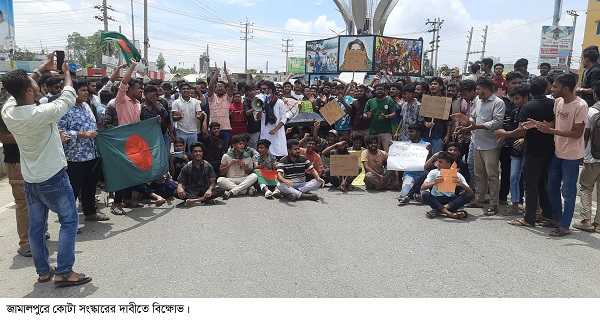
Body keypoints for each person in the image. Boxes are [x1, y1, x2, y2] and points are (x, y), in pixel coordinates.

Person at [1, 55, 92, 286]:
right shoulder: (42, 113)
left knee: (37, 227)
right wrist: (67, 74)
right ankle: (64, 272)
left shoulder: (9, 110)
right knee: (69, 222)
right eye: (35, 85)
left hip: (31, 178)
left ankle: (43, 271)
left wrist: (41, 69)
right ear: (30, 92)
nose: (38, 85)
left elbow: (19, 89)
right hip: (54, 177)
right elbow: (69, 95)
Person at [495, 77, 555, 228]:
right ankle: (547, 213)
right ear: (546, 88)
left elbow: (521, 130)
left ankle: (529, 218)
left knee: (530, 185)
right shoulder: (553, 104)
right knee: (541, 183)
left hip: (533, 150)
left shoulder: (528, 108)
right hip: (550, 149)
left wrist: (505, 133)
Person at [532, 73, 588, 237]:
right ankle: (556, 219)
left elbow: (577, 133)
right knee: (551, 187)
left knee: (568, 193)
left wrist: (552, 131)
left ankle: (565, 226)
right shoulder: (558, 102)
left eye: (555, 86)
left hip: (571, 155)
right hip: (558, 152)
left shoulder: (581, 105)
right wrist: (536, 125)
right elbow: (555, 123)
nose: (552, 89)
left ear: (565, 88)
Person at [57, 78, 107, 222]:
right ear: (73, 92)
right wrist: (83, 135)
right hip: (74, 158)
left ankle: (90, 213)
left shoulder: (87, 106)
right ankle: (68, 222)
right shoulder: (64, 109)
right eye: (83, 90)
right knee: (71, 191)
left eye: (87, 90)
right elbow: (60, 133)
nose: (87, 93)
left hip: (92, 154)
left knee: (90, 187)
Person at [453, 79, 506, 216]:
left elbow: (497, 122)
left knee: (492, 175)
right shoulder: (477, 101)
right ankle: (479, 199)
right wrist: (466, 122)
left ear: (486, 89)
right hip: (477, 142)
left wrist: (475, 126)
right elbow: (473, 118)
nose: (476, 92)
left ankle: (494, 204)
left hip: (491, 144)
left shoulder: (498, 103)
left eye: (478, 89)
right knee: (479, 174)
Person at [574, 80, 600, 233]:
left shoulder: (591, 111)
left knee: (586, 187)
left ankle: (586, 220)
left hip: (593, 156)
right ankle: (598, 224)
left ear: (595, 94)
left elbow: (585, 136)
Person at [420, 151, 474, 219]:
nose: (438, 164)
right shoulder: (433, 172)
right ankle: (450, 213)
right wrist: (434, 182)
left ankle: (439, 210)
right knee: (425, 194)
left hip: (451, 200)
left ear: (448, 164)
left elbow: (471, 192)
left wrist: (461, 183)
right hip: (437, 199)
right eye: (438, 161)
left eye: (440, 162)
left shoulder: (456, 174)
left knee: (468, 195)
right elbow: (423, 187)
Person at [176, 141, 225, 206]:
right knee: (175, 192)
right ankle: (206, 199)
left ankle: (194, 200)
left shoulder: (208, 165)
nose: (198, 153)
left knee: (221, 190)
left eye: (200, 151)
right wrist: (180, 188)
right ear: (191, 153)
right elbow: (181, 182)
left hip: (205, 191)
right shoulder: (187, 166)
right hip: (191, 191)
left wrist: (209, 190)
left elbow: (212, 182)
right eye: (195, 151)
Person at [218, 134, 258, 199]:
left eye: (243, 144)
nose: (242, 145)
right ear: (234, 145)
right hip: (231, 179)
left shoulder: (247, 156)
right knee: (220, 180)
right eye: (240, 144)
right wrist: (229, 164)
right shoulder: (226, 156)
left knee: (254, 176)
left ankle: (232, 192)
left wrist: (244, 167)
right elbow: (221, 172)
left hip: (243, 179)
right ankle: (245, 190)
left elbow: (250, 172)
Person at [398, 124, 431, 200]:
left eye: (412, 132)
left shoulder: (426, 145)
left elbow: (429, 162)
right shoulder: (405, 145)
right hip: (409, 174)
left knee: (426, 195)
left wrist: (429, 152)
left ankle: (417, 194)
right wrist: (392, 147)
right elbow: (398, 159)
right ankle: (414, 193)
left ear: (418, 133)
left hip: (422, 175)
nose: (409, 134)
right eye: (409, 132)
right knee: (404, 194)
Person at [255, 81, 288, 157]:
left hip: (277, 133)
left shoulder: (279, 102)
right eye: (261, 89)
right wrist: (260, 108)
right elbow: (258, 118)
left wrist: (275, 130)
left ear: (270, 90)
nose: (262, 91)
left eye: (264, 89)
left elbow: (284, 118)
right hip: (265, 132)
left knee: (277, 154)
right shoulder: (261, 101)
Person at [208, 62, 234, 149]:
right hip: (212, 129)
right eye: (218, 86)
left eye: (222, 86)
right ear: (215, 89)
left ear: (225, 89)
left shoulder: (228, 98)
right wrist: (217, 72)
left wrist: (226, 72)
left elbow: (231, 85)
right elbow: (210, 86)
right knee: (212, 150)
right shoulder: (211, 98)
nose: (220, 88)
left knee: (224, 151)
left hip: (224, 129)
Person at [171, 82, 202, 152]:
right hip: (181, 131)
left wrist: (199, 116)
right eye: (183, 89)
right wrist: (180, 117)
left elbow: (199, 115)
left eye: (187, 89)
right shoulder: (176, 102)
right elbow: (174, 118)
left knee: (193, 151)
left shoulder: (196, 102)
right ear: (180, 90)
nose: (186, 90)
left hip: (193, 131)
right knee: (180, 151)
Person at [363, 84, 395, 151]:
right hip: (373, 132)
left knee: (388, 152)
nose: (379, 91)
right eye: (378, 89)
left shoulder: (389, 100)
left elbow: (394, 114)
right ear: (375, 91)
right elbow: (364, 114)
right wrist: (367, 116)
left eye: (381, 89)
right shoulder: (370, 101)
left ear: (385, 91)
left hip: (386, 131)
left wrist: (386, 116)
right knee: (374, 152)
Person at [141, 85, 171, 151]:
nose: (152, 97)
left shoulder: (159, 104)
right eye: (150, 94)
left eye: (154, 95)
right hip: (146, 135)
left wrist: (154, 102)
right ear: (145, 94)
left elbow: (165, 114)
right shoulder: (140, 107)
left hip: (159, 134)